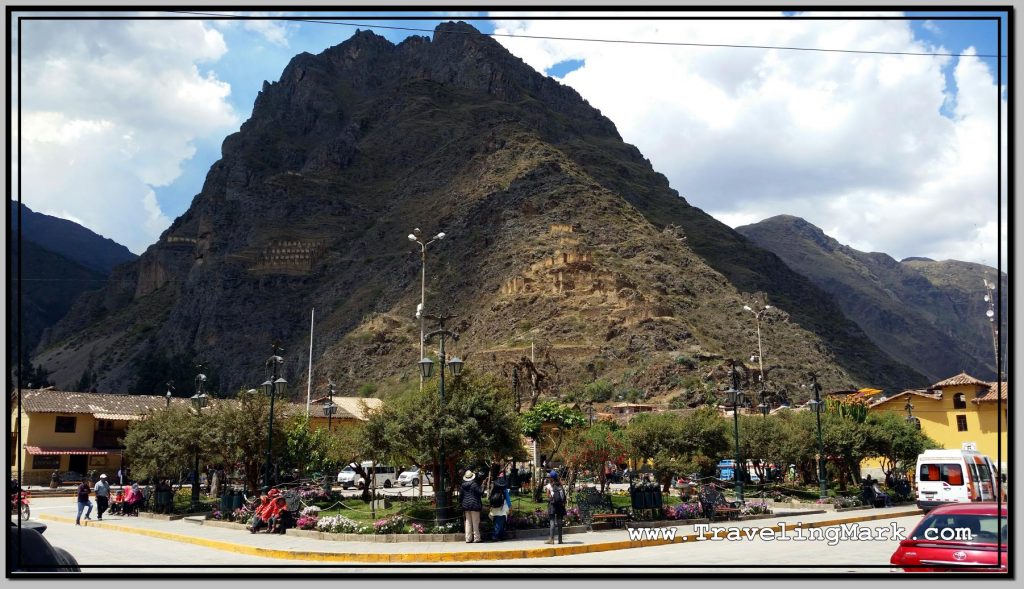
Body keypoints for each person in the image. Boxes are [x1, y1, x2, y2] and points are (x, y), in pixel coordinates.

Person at [460, 470, 484, 543]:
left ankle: (468, 538)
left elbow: (461, 496)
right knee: (475, 522)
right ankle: (477, 538)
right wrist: (483, 485)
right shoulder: (474, 484)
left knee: (468, 522)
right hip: (474, 505)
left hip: (466, 505)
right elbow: (480, 492)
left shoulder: (462, 485)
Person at [544, 470, 566, 545]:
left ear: (551, 478)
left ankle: (552, 539)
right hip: (560, 505)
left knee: (552, 521)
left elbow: (548, 495)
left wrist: (550, 497)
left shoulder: (550, 485)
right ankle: (560, 540)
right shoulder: (560, 484)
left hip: (552, 504)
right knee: (559, 522)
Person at [489, 473, 512, 542]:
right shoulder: (505, 489)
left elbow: (490, 498)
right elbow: (508, 499)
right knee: (500, 522)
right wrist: (510, 506)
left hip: (494, 508)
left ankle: (500, 536)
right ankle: (495, 536)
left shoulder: (494, 489)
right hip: (502, 508)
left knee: (497, 522)